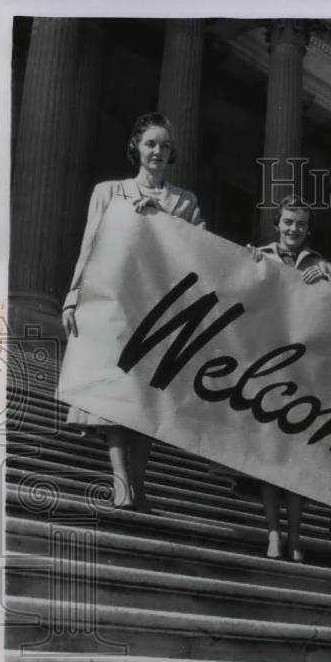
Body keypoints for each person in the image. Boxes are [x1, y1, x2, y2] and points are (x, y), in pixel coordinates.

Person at [61, 112, 204, 512]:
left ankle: (138, 482)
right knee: (114, 391)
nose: (158, 151)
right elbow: (90, 245)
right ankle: (121, 479)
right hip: (114, 304)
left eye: (165, 146)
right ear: (136, 147)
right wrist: (73, 296)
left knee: (146, 397)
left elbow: (201, 251)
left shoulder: (185, 202)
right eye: (151, 144)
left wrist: (162, 220)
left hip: (161, 310)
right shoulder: (108, 191)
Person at [242, 195, 331, 561]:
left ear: (308, 229)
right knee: (270, 456)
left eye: (300, 224)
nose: (293, 229)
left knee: (297, 457)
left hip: (304, 370)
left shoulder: (320, 265)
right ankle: (273, 532)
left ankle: (296, 536)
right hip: (267, 367)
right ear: (277, 224)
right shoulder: (260, 256)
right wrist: (247, 267)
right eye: (287, 222)